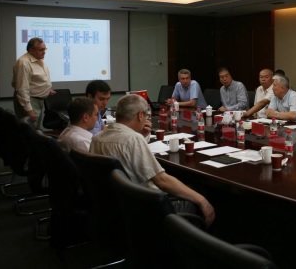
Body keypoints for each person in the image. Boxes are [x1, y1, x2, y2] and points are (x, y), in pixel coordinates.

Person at [90, 94, 215, 226]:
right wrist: (202, 200)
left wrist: (141, 137)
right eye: (146, 115)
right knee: (199, 193)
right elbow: (162, 181)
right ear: (140, 115)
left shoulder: (97, 138)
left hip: (113, 205)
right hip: (145, 207)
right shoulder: (132, 139)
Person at [12, 37, 56, 129]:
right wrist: (29, 110)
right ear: (31, 50)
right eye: (41, 50)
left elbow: (35, 81)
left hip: (38, 101)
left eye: (45, 49)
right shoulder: (23, 63)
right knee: (30, 131)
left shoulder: (39, 60)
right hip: (30, 101)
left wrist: (46, 90)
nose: (44, 52)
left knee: (36, 129)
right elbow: (22, 89)